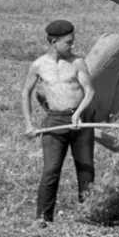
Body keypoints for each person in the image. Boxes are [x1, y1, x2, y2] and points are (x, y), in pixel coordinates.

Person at [22, 19, 96, 222]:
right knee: (51, 170)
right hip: (55, 121)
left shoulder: (77, 62)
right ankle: (43, 219)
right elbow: (26, 92)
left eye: (72, 41)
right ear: (53, 41)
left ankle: (88, 216)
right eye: (68, 42)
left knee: (85, 169)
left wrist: (78, 113)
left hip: (80, 121)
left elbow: (90, 91)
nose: (72, 46)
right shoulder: (38, 65)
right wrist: (29, 124)